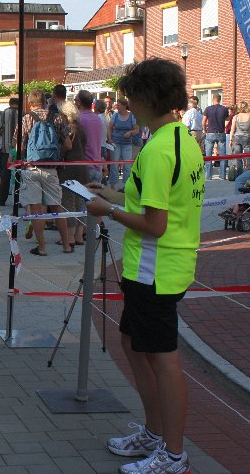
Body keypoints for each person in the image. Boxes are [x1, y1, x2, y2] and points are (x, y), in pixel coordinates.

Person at [86, 58, 203, 474]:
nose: (126, 106)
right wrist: (113, 197)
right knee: (132, 343)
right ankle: (155, 434)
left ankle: (173, 454)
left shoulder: (157, 150)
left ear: (148, 98)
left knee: (162, 359)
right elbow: (153, 202)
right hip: (161, 265)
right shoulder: (182, 138)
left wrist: (106, 210)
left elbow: (154, 224)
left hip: (156, 268)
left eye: (130, 98)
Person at [18, 89, 73, 256]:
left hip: (32, 167)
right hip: (51, 168)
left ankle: (42, 247)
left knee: (36, 209)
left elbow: (20, 145)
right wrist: (56, 153)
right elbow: (68, 145)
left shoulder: (26, 118)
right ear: (45, 101)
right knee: (57, 207)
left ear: (30, 103)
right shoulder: (57, 117)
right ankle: (66, 245)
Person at [57, 102, 89, 246]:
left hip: (69, 168)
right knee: (79, 202)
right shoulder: (81, 127)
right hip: (82, 167)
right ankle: (79, 235)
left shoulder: (69, 128)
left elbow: (66, 147)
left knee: (68, 202)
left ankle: (70, 237)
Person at [108, 98, 140, 190]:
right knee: (114, 164)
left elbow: (137, 130)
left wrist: (130, 132)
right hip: (116, 143)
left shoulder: (131, 116)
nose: (116, 106)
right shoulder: (115, 115)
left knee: (127, 165)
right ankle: (113, 186)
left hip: (127, 144)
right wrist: (110, 139)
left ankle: (126, 186)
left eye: (118, 105)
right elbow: (109, 128)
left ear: (124, 106)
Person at [76, 90, 104, 184]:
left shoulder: (79, 119)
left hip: (85, 167)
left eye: (75, 100)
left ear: (79, 102)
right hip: (97, 165)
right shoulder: (97, 118)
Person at [0, 97, 20, 206]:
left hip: (6, 149)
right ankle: (19, 199)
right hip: (19, 149)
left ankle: (2, 199)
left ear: (10, 103)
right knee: (20, 174)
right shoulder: (23, 113)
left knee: (5, 175)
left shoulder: (3, 113)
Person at [204, 94, 229, 180]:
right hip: (221, 132)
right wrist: (223, 126)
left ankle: (208, 176)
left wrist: (205, 130)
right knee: (222, 155)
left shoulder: (208, 109)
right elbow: (228, 120)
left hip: (210, 132)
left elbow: (204, 121)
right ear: (220, 99)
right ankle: (222, 175)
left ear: (213, 99)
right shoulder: (224, 109)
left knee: (208, 155)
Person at [230, 101, 250, 175]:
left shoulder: (236, 117)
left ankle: (239, 174)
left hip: (237, 137)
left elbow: (232, 129)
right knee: (248, 157)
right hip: (246, 136)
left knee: (238, 157)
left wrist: (230, 139)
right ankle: (248, 173)